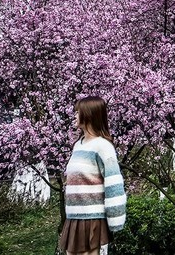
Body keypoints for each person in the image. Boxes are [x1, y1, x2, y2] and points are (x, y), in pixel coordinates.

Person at [58, 96, 126, 255]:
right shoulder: (78, 145)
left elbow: (113, 184)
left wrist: (115, 219)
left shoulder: (103, 147)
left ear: (88, 115)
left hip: (92, 219)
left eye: (78, 112)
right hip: (74, 218)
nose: (74, 116)